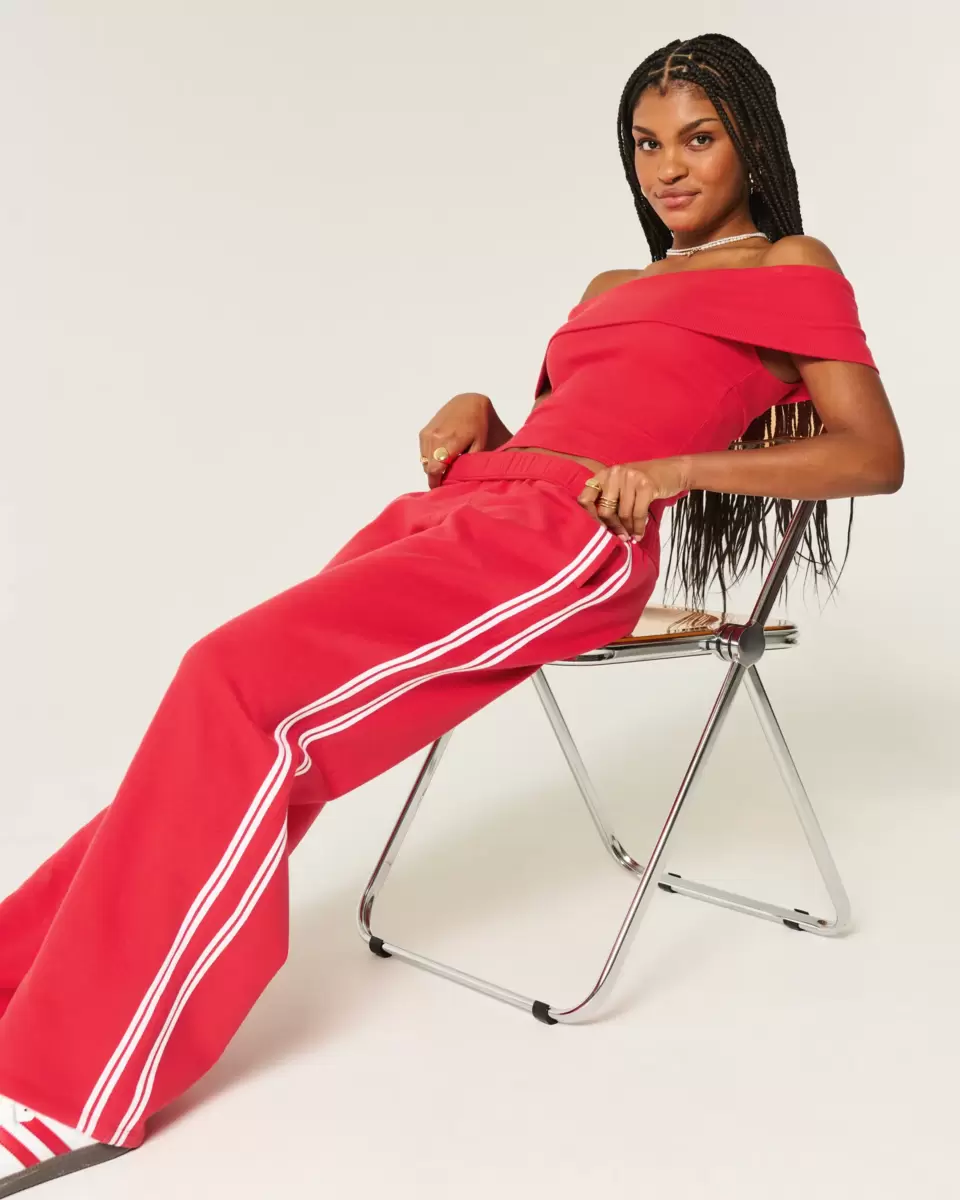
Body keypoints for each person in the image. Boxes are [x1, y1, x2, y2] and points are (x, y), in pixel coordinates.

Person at [0, 31, 903, 1195]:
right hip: (469, 504)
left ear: (752, 146)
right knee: (233, 714)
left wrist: (679, 472)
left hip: (566, 544)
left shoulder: (791, 265)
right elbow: (572, 419)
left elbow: (872, 454)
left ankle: (68, 1084)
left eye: (698, 138)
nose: (669, 168)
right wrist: (481, 408)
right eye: (645, 144)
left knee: (231, 683)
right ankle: (21, 975)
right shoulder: (611, 289)